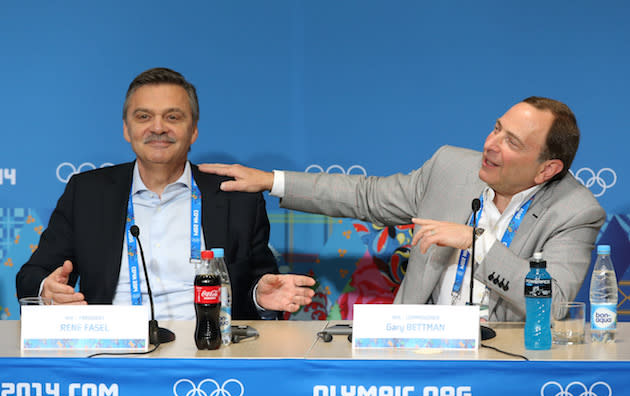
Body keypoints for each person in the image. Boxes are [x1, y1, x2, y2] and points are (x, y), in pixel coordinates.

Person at [199, 97, 605, 321]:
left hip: (507, 364)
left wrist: (475, 242)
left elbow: (550, 304)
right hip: (415, 347)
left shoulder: (574, 211)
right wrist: (272, 181)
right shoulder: (452, 167)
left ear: (547, 168)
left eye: (512, 142)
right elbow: (366, 196)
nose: (491, 144)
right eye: (496, 127)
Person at [16, 67, 314, 320]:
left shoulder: (236, 197)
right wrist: (46, 289)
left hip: (210, 355)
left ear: (193, 130)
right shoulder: (87, 193)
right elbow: (32, 274)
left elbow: (258, 287)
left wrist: (260, 298)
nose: (158, 128)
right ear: (126, 129)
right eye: (144, 117)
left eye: (172, 117)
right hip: (110, 354)